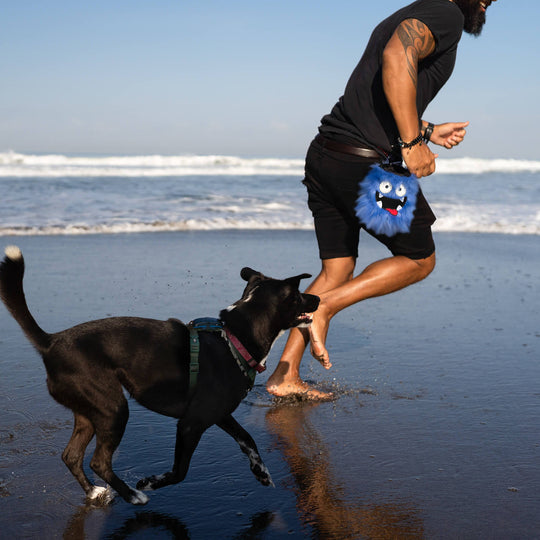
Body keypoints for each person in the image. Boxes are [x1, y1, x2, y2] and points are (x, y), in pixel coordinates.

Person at [266, 0, 499, 399]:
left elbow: (371, 101)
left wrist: (426, 130)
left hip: (327, 154)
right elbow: (396, 56)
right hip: (368, 168)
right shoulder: (446, 15)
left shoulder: (416, 10)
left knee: (337, 270)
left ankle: (284, 376)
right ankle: (322, 308)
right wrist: (411, 143)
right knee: (418, 259)